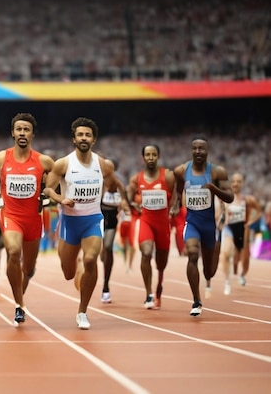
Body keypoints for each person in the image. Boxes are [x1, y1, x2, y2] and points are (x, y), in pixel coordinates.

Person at [43, 117, 125, 330]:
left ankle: (82, 312)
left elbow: (114, 184)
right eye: (80, 134)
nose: (84, 138)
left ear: (94, 139)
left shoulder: (102, 165)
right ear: (74, 139)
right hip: (70, 222)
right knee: (68, 273)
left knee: (91, 259)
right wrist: (61, 199)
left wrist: (120, 198)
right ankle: (76, 265)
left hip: (93, 220)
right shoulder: (63, 164)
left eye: (87, 134)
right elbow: (47, 189)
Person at [0, 113, 55, 325]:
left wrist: (50, 193)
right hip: (10, 215)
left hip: (33, 219)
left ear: (32, 134)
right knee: (13, 252)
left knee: (29, 269)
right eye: (19, 129)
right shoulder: (1, 158)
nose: (22, 133)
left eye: (27, 129)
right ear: (12, 133)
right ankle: (19, 305)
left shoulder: (43, 161)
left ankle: (20, 293)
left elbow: (57, 175)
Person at [173, 134, 233, 316]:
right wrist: (175, 205)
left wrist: (214, 188)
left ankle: (216, 247)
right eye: (195, 148)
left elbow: (230, 197)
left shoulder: (217, 172)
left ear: (207, 151)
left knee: (208, 273)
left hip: (209, 226)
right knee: (192, 254)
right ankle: (196, 300)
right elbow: (178, 189)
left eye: (202, 148)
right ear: (191, 150)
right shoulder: (181, 171)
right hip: (192, 222)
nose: (198, 151)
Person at [127, 144, 178, 310]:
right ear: (143, 157)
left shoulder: (168, 176)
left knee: (161, 264)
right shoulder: (137, 179)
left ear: (158, 156)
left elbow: (176, 195)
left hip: (163, 225)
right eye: (147, 154)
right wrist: (132, 204)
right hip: (146, 222)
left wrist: (175, 207)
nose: (150, 157)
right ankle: (148, 293)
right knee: (146, 252)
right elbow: (128, 195)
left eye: (153, 154)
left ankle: (159, 286)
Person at [220, 172, 262, 295]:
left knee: (244, 257)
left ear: (242, 184)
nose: (235, 184)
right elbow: (220, 213)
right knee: (226, 253)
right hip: (229, 228)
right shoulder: (226, 198)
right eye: (233, 181)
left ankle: (242, 274)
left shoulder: (247, 199)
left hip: (242, 229)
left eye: (238, 181)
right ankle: (227, 280)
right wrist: (223, 218)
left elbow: (259, 211)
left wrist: (250, 222)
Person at [99, 157, 128, 304]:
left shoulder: (119, 184)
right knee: (102, 252)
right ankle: (101, 251)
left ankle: (105, 285)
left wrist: (125, 205)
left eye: (107, 170)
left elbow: (125, 200)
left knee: (108, 247)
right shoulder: (98, 182)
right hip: (98, 218)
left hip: (111, 219)